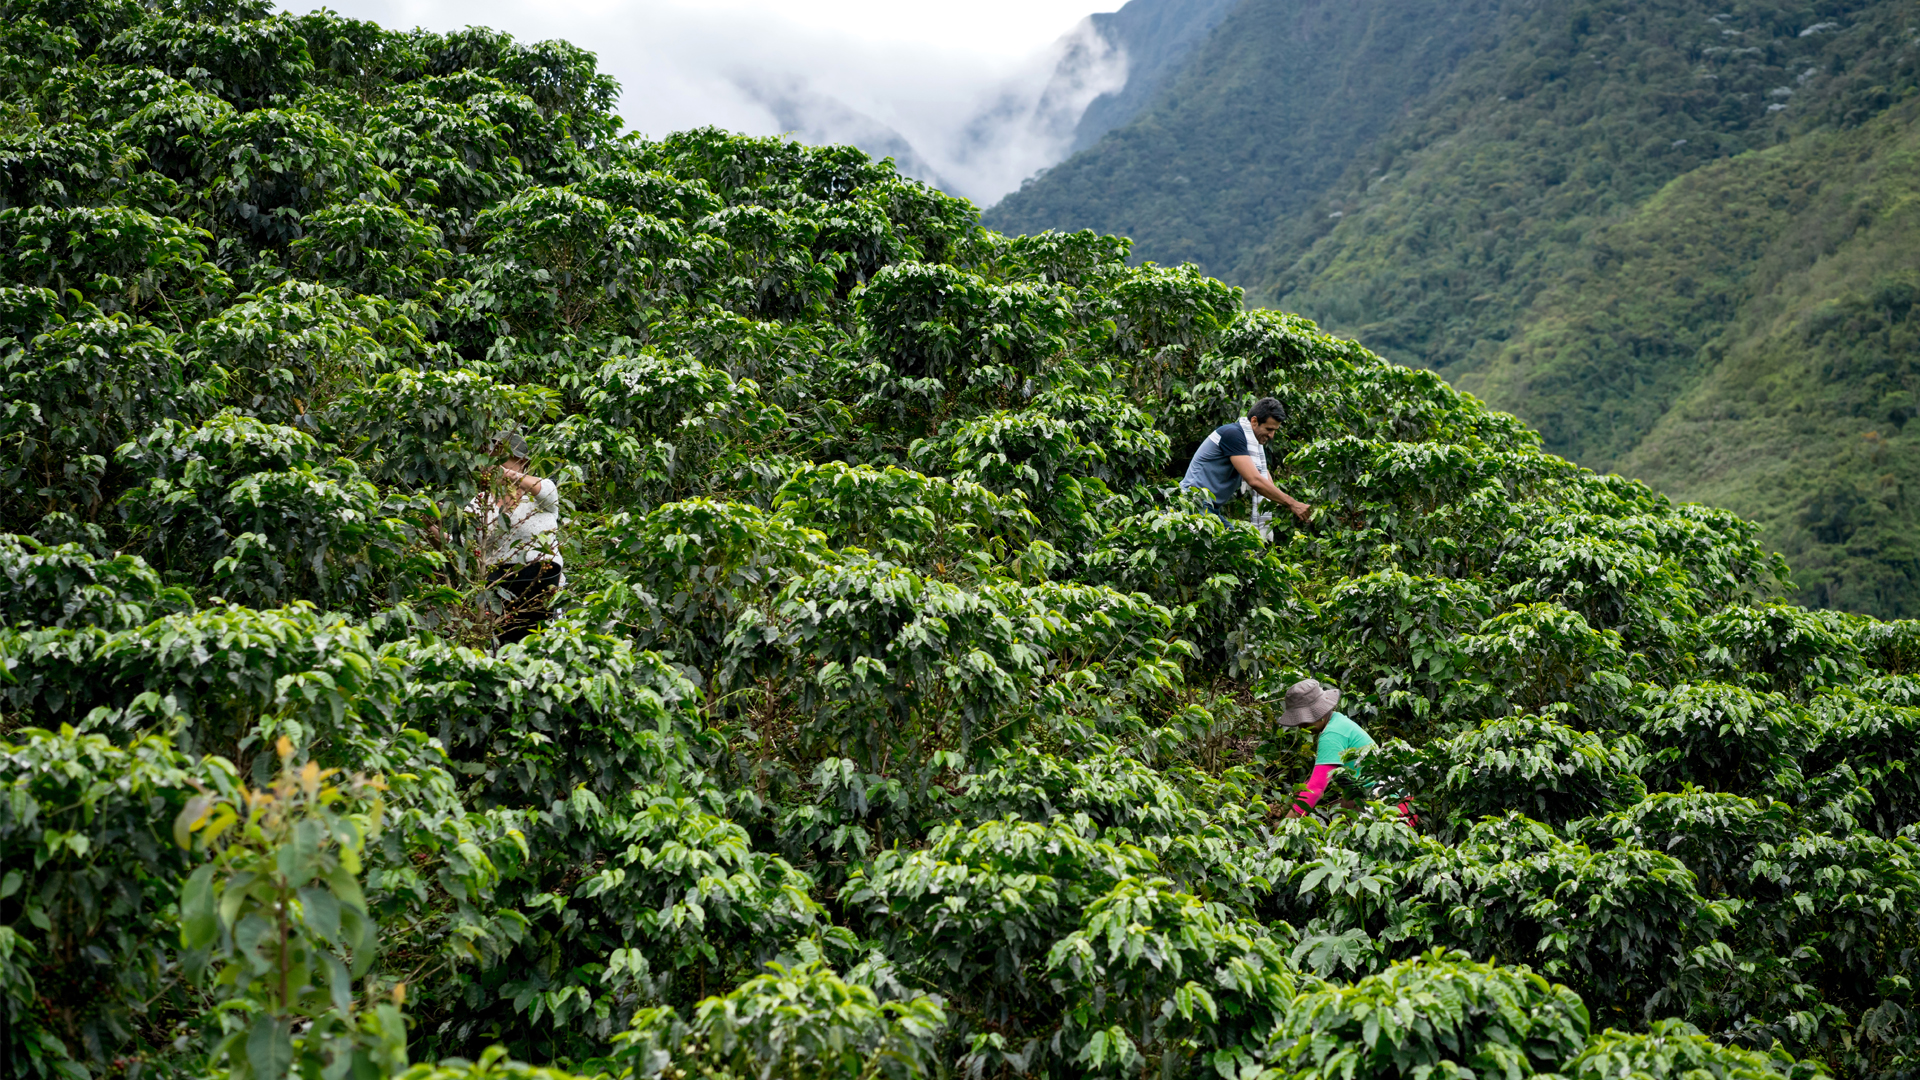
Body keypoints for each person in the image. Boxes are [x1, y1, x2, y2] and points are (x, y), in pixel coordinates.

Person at [468, 433, 564, 645]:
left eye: (502, 456)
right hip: (501, 596)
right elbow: (460, 544)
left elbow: (547, 493)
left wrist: (506, 474)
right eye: (491, 456)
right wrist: (430, 525)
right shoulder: (481, 503)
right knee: (504, 652)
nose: (494, 461)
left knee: (549, 649)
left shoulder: (540, 493)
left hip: (544, 589)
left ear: (522, 463)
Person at [1278, 677, 1412, 820]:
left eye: (1303, 720)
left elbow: (1316, 788)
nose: (1300, 726)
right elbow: (1315, 781)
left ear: (1318, 712)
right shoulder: (1338, 722)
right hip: (1396, 801)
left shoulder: (1331, 735)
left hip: (1391, 808)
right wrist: (1284, 807)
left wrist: (1284, 826)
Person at [1179, 397, 1311, 527]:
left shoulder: (1251, 445)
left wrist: (1295, 507)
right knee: (1233, 539)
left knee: (1241, 539)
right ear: (1254, 421)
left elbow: (1266, 482)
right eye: (1269, 429)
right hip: (1192, 502)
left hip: (1209, 507)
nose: (1271, 436)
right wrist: (1292, 503)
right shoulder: (1232, 435)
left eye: (1274, 430)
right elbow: (1255, 480)